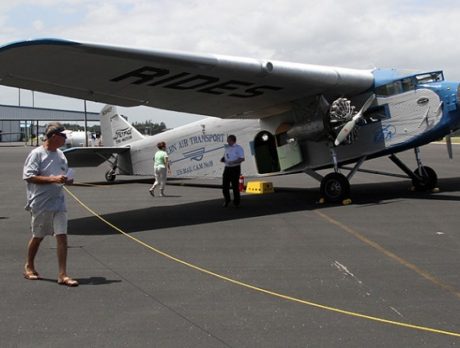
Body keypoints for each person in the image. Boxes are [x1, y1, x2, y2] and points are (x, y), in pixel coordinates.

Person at [23, 122, 78, 287]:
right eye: (63, 136)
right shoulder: (37, 154)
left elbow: (63, 174)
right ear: (54, 136)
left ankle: (63, 274)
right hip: (40, 202)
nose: (66, 139)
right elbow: (29, 176)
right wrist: (53, 179)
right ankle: (29, 266)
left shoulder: (61, 154)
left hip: (58, 201)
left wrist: (67, 180)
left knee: (62, 236)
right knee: (38, 236)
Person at [221, 135, 245, 207]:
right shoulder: (227, 148)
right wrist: (223, 159)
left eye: (228, 140)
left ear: (232, 140)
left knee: (235, 186)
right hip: (227, 168)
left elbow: (242, 159)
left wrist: (233, 162)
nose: (227, 141)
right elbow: (226, 155)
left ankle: (236, 202)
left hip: (235, 168)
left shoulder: (238, 148)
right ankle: (227, 200)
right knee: (225, 186)